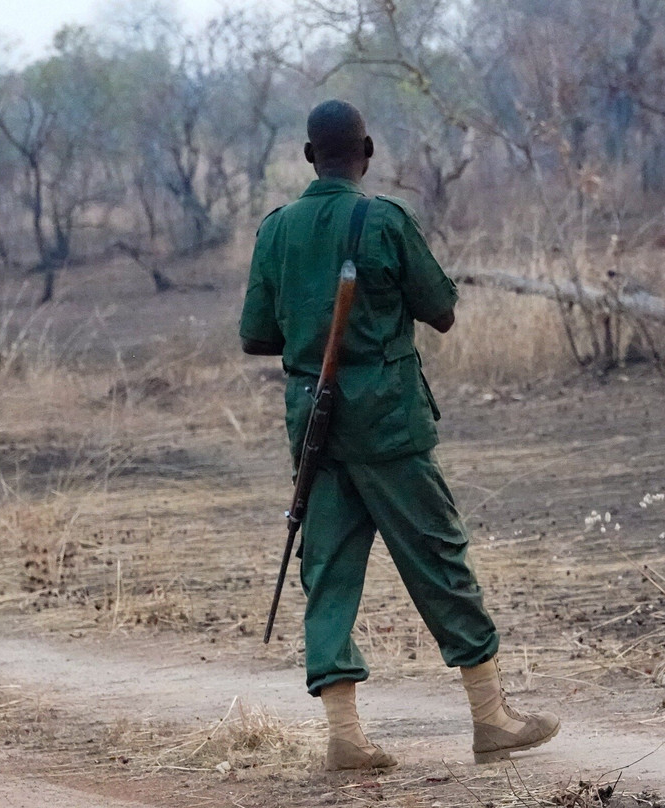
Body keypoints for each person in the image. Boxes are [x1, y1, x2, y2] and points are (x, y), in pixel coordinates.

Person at [238, 99, 560, 771]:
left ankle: (346, 736)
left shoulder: (276, 230)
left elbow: (256, 336)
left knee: (325, 567)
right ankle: (490, 718)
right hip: (387, 420)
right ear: (368, 151)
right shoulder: (383, 221)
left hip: (313, 421)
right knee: (437, 556)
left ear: (307, 156)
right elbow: (441, 309)